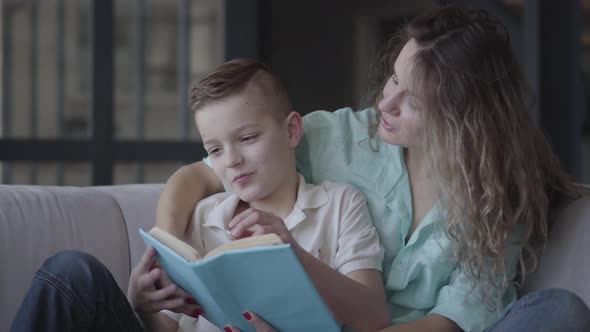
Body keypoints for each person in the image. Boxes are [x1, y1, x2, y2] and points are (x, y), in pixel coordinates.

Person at [156, 6, 590, 332]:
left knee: (559, 312)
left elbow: (448, 323)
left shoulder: (499, 198)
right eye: (395, 79)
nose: (385, 103)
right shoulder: (338, 135)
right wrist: (166, 254)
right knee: (85, 277)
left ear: (464, 120)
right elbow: (199, 175)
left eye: (412, 101)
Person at [10, 59, 389, 332]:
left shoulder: (339, 204)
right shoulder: (206, 215)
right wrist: (143, 306)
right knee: (73, 273)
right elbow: (167, 328)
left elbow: (373, 316)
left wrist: (293, 255)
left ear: (292, 131)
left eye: (247, 138)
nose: (233, 161)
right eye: (216, 149)